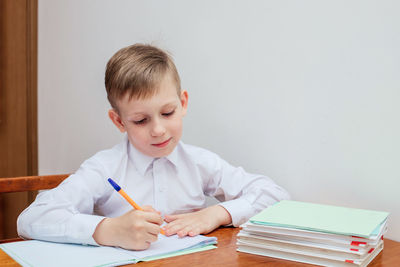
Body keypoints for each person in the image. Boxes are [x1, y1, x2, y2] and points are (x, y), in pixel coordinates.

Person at [17, 44, 289, 251]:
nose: (158, 130)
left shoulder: (199, 162)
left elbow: (275, 196)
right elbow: (31, 219)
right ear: (119, 121)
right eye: (141, 120)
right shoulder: (104, 169)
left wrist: (216, 213)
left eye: (168, 113)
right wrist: (108, 229)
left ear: (183, 103)